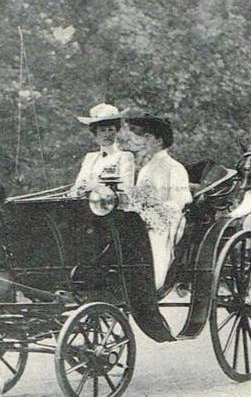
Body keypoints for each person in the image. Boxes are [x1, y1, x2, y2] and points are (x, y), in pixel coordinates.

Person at [123, 112, 192, 289]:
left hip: (166, 222)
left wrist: (154, 209)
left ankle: (150, 283)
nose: (143, 141)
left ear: (159, 140)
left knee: (151, 235)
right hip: (145, 217)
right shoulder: (147, 168)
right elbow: (138, 197)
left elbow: (180, 204)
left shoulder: (174, 168)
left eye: (147, 137)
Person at [69, 103, 135, 197]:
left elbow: (126, 188)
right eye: (102, 130)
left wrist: (92, 187)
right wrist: (77, 190)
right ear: (95, 133)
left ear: (116, 131)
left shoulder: (125, 156)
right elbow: (79, 184)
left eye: (111, 130)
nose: (107, 134)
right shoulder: (90, 157)